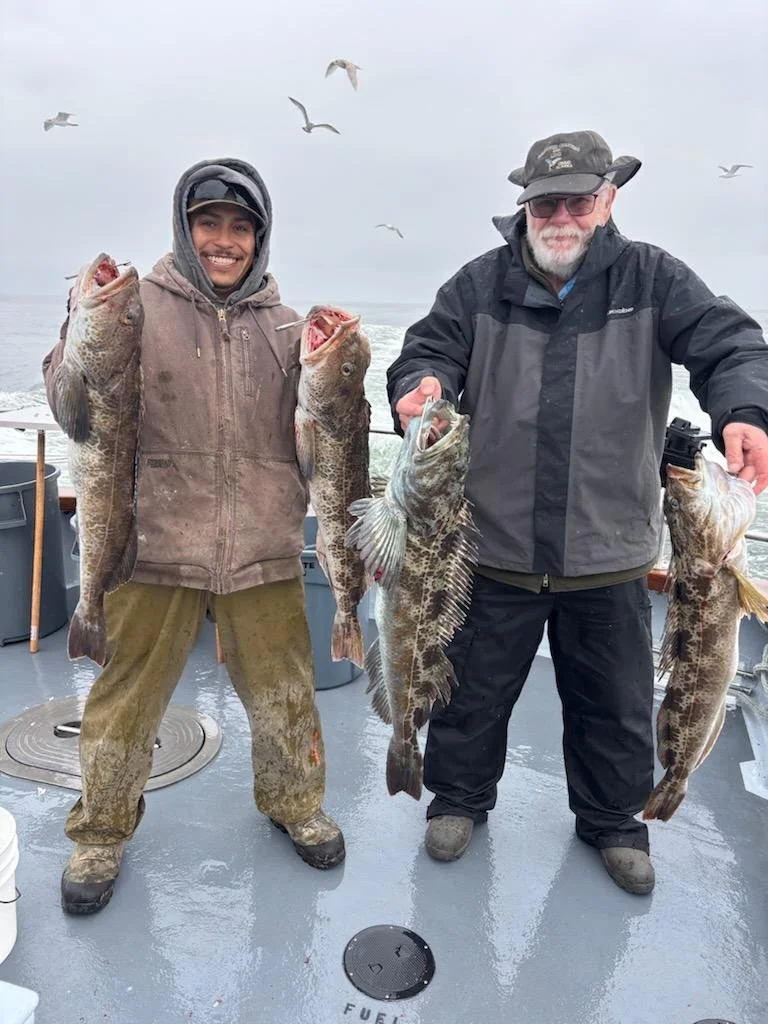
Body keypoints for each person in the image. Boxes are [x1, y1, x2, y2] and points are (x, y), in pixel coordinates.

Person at [387, 131, 768, 895]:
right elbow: (428, 350)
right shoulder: (480, 284)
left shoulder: (653, 278)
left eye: (578, 200)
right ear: (525, 206)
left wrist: (746, 409)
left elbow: (730, 344)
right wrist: (422, 387)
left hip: (610, 550)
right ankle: (457, 799)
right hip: (491, 546)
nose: (561, 215)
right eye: (545, 202)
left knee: (614, 703)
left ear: (608, 200)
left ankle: (612, 820)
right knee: (470, 691)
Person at [43, 158, 345, 916]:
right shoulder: (133, 303)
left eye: (240, 228)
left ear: (259, 240)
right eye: (208, 222)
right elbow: (68, 401)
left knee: (285, 696)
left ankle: (294, 803)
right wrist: (76, 323)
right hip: (154, 542)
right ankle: (102, 830)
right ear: (184, 228)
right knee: (123, 699)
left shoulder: (287, 326)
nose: (223, 240)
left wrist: (340, 360)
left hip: (264, 548)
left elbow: (325, 433)